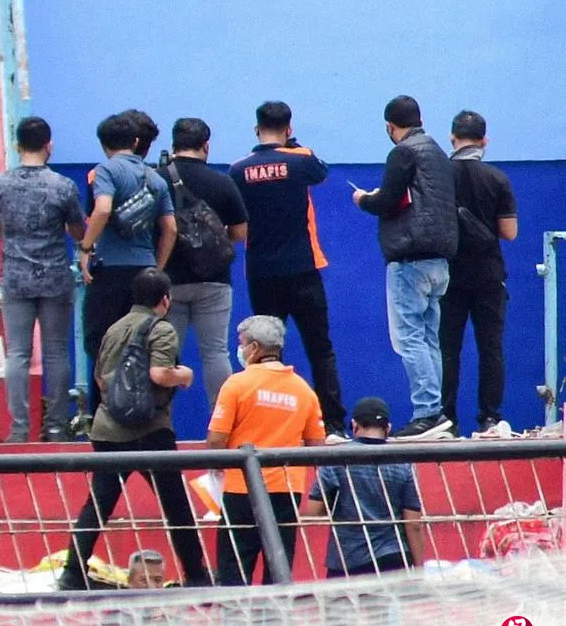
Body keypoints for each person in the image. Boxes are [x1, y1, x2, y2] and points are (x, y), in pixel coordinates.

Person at [58, 270, 208, 589]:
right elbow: (159, 374)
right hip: (152, 429)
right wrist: (185, 375)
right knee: (176, 507)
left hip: (108, 429)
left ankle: (72, 572)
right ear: (165, 300)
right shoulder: (162, 328)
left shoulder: (114, 328)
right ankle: (196, 575)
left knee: (99, 504)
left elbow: (100, 376)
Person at [228, 102, 347, 441]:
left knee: (262, 352)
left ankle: (261, 428)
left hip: (261, 272)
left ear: (256, 129)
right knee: (320, 349)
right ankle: (333, 426)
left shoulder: (238, 169)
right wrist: (292, 146)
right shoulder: (301, 160)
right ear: (289, 129)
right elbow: (321, 172)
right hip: (303, 269)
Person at [353, 96, 459, 439]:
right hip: (440, 260)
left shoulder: (403, 152)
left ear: (390, 126)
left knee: (410, 339)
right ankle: (438, 412)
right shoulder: (439, 153)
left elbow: (387, 201)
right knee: (429, 339)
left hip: (410, 258)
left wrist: (364, 199)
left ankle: (427, 412)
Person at [0, 116, 85, 442]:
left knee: (18, 353)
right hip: (54, 276)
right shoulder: (63, 186)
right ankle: (55, 426)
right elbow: (78, 230)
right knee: (56, 352)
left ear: (17, 146)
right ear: (48, 145)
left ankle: (19, 429)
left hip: (15, 277)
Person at [207, 315, 325, 586]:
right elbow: (317, 447)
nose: (240, 349)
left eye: (242, 344)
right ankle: (275, 614)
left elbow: (215, 440)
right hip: (287, 491)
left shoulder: (236, 384)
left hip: (241, 489)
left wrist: (217, 468)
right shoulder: (303, 390)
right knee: (278, 569)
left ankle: (235, 615)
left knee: (234, 569)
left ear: (254, 348)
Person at [79, 114, 177, 411]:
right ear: (136, 142)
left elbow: (102, 208)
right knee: (145, 342)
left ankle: (104, 412)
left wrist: (86, 247)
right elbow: (170, 229)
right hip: (144, 271)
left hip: (109, 271)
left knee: (101, 343)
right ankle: (146, 411)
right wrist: (156, 268)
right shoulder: (155, 178)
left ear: (103, 144)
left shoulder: (105, 170)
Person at [155, 117, 248, 409]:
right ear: (206, 146)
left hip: (168, 281)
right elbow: (240, 233)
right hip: (214, 280)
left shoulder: (157, 179)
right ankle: (222, 422)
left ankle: (161, 421)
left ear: (173, 145)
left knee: (164, 356)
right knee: (216, 352)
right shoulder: (222, 182)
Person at [439, 111, 518, 435]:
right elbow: (509, 232)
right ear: (484, 141)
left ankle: (445, 419)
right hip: (488, 273)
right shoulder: (497, 179)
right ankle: (489, 418)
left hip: (448, 274)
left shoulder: (439, 177)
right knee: (490, 348)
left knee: (447, 349)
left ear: (452, 137)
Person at [305, 397, 426, 577]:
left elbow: (313, 511)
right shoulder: (404, 462)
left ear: (354, 425)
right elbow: (413, 523)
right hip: (394, 559)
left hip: (347, 561)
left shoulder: (335, 458)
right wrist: (419, 570)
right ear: (388, 428)